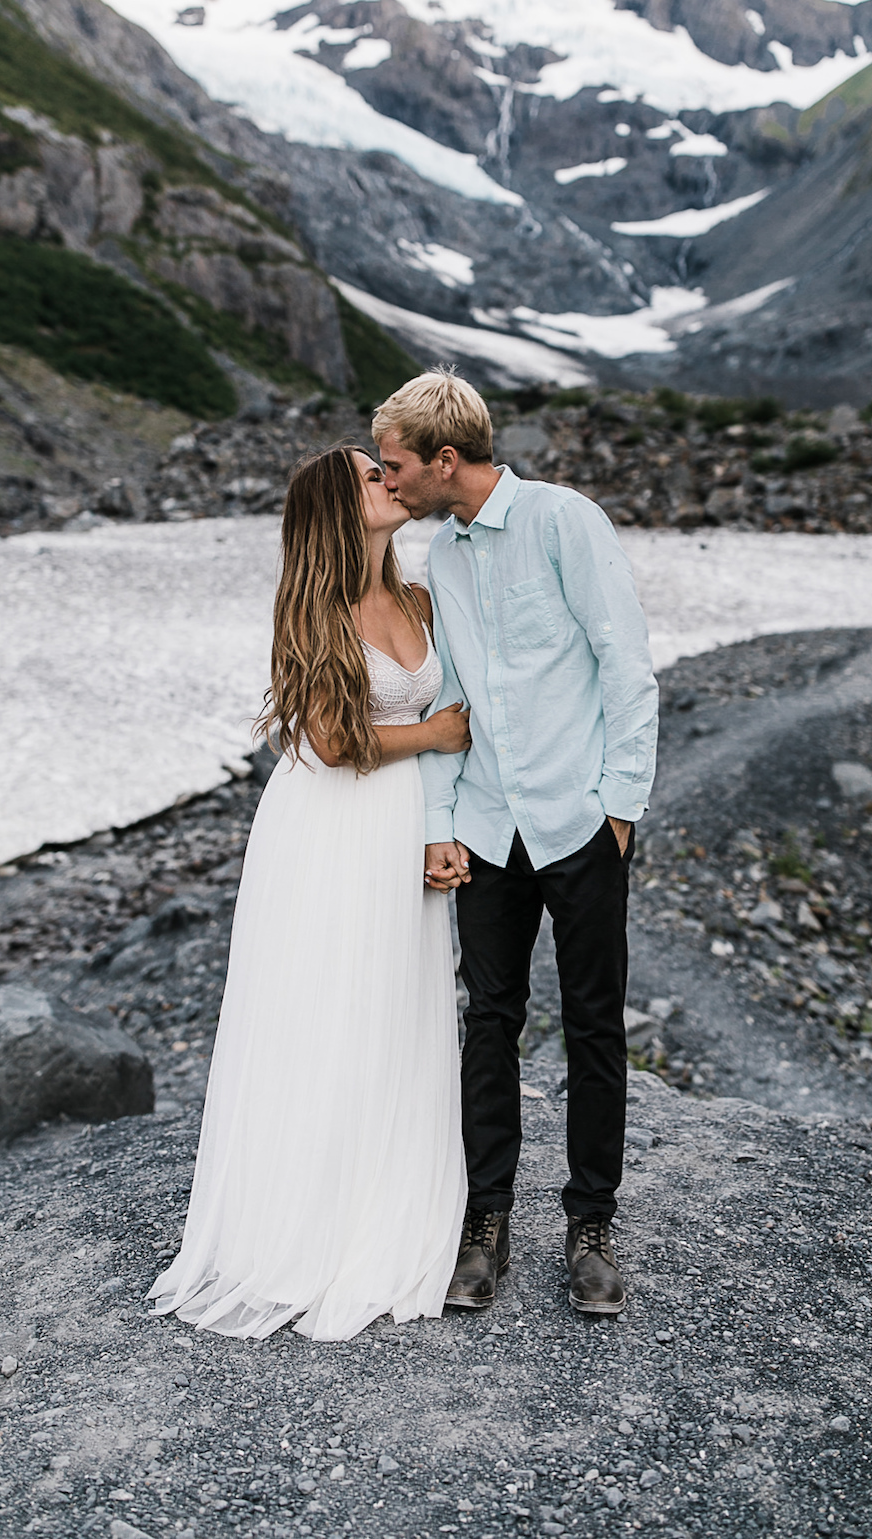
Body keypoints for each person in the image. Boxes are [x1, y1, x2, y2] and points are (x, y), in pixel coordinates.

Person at [148, 446, 473, 1340]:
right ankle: (310, 1220)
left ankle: (389, 1194)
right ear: (340, 506)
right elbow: (331, 741)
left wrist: (442, 820)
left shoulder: (418, 596)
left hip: (401, 820)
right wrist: (436, 731)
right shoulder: (315, 605)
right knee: (327, 1009)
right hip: (331, 825)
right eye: (374, 476)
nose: (392, 480)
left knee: (396, 1007)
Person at [373, 369, 658, 1319]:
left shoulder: (564, 522)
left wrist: (619, 809)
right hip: (489, 830)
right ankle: (484, 1222)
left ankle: (591, 1226)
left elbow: (626, 664)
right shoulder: (440, 559)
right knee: (487, 1020)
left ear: (445, 459)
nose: (391, 479)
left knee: (593, 1026)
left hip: (580, 824)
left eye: (399, 464)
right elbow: (447, 703)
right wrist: (439, 821)